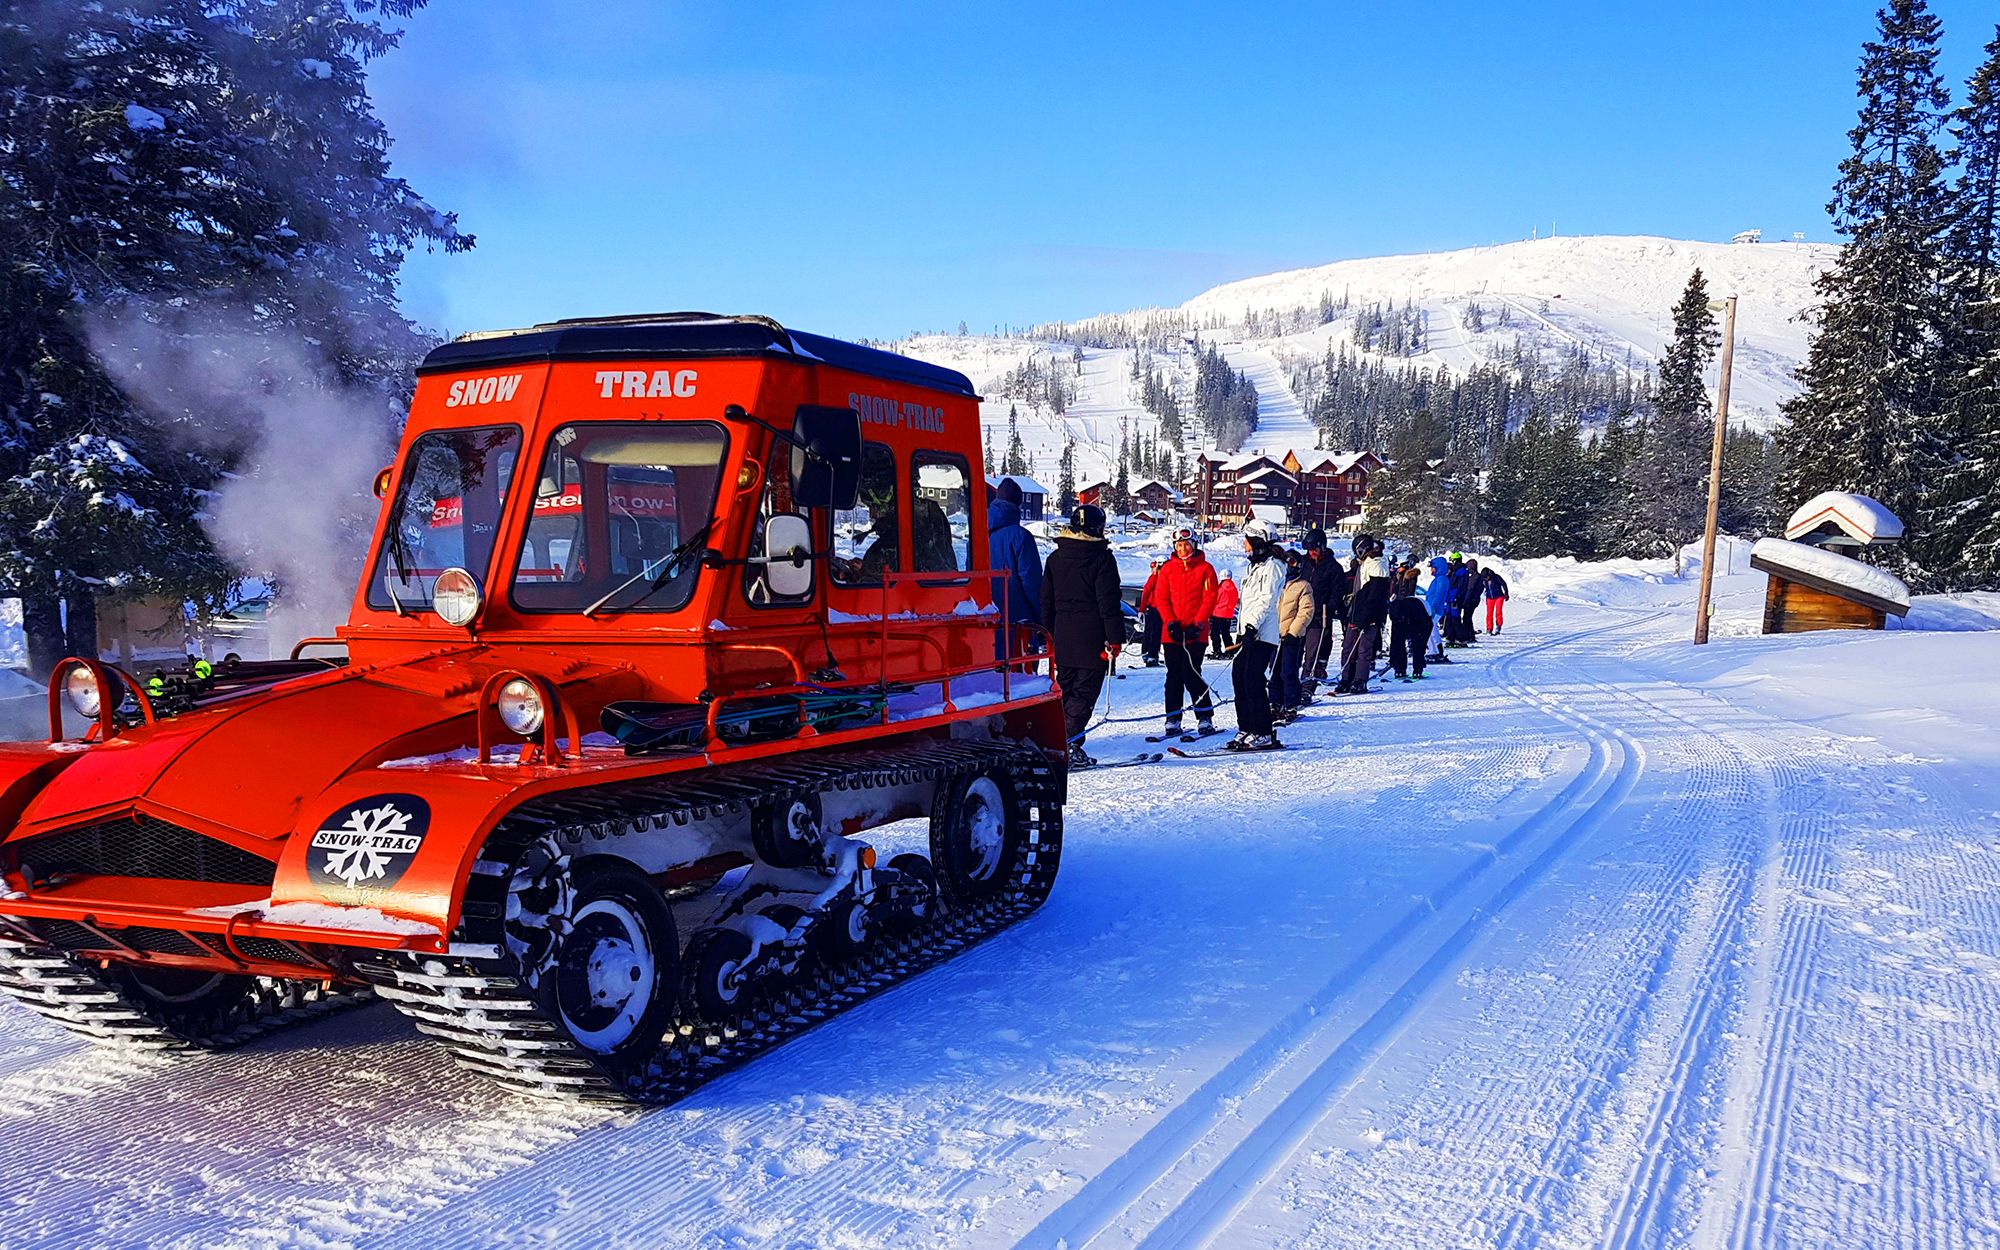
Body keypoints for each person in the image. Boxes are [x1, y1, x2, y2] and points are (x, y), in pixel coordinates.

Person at [1041, 504, 1124, 767]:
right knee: (1084, 693)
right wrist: (1115, 638)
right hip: (1092, 635)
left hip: (1063, 633)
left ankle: (1054, 740)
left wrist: (1049, 631)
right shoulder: (1101, 558)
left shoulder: (1056, 557)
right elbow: (1108, 602)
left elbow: (1046, 601)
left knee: (1064, 689)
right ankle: (1069, 744)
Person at [1152, 529, 1219, 738]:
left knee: (1191, 673)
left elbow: (1210, 598)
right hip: (1172, 633)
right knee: (1173, 676)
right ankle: (1173, 717)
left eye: (1187, 545)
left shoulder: (1206, 569)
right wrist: (1170, 622)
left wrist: (1198, 624)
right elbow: (1161, 598)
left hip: (1194, 633)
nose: (1183, 549)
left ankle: (1204, 715)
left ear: (1194, 545)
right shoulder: (1167, 570)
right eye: (1179, 546)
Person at [1228, 521, 1286, 750]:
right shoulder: (1255, 567)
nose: (1244, 546)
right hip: (1248, 632)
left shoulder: (1274, 567)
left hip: (1262, 634)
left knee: (1252, 680)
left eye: (1247, 541)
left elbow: (1266, 600)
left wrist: (1252, 626)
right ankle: (1246, 726)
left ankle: (1263, 731)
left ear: (1258, 541)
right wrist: (1244, 630)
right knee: (1239, 679)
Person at [986, 479, 1043, 661]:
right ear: (1018, 505)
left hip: (988, 621)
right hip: (1019, 624)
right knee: (1022, 679)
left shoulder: (979, 535)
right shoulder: (1021, 537)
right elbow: (1032, 584)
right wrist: (1042, 618)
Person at [1338, 536, 1390, 693]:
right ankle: (1346, 678)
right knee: (1348, 648)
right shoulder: (1364, 565)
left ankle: (1360, 680)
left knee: (1363, 649)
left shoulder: (1377, 565)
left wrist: (1367, 617)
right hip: (1356, 614)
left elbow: (1375, 595)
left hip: (1370, 616)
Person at [1300, 528, 1348, 698]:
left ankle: (1307, 685)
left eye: (1314, 549)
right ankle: (1289, 684)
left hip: (1320, 615)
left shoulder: (1333, 567)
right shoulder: (1303, 563)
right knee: (1294, 649)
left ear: (1322, 547)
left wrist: (1330, 606)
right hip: (1300, 613)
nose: (1311, 553)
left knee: (1313, 651)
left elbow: (1338, 591)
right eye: (1308, 549)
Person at [1269, 548, 1315, 722]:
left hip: (1291, 637)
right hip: (1273, 635)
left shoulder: (1303, 586)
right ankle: (1274, 702)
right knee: (1274, 671)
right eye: (1286, 562)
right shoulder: (1277, 583)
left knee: (1288, 671)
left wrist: (1294, 632)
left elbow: (1306, 611)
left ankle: (1291, 704)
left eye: (1292, 563)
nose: (1288, 566)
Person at [1388, 571, 1432, 681]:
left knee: (1414, 643)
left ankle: (1412, 669)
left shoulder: (1415, 608)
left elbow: (1422, 637)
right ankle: (1403, 669)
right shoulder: (1397, 610)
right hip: (1407, 614)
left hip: (1418, 618)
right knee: (1402, 642)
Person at [1422, 554, 1455, 664]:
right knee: (1433, 630)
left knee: (1428, 630)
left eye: (1433, 568)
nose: (1432, 570)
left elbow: (1439, 594)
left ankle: (1433, 652)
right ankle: (1437, 650)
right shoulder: (1439, 579)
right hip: (1432, 608)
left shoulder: (1442, 580)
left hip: (1435, 609)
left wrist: (1433, 608)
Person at [1138, 559, 1165, 667]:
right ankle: (1151, 656)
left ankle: (1148, 654)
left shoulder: (1157, 577)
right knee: (1154, 633)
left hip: (1155, 608)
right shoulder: (1155, 578)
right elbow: (1146, 592)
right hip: (1156, 609)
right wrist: (1142, 608)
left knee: (1151, 632)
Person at [1444, 553, 1471, 646]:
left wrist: (1457, 597)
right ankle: (1450, 637)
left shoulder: (1462, 571)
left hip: (1455, 598)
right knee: (1448, 618)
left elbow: (1462, 586)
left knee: (1455, 618)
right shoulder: (1453, 571)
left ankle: (1460, 638)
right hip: (1449, 598)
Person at [1211, 570, 1239, 657]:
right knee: (1226, 633)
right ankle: (1230, 650)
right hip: (1229, 614)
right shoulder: (1234, 588)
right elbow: (1235, 601)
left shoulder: (1220, 588)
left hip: (1218, 613)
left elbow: (1215, 599)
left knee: (1215, 633)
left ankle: (1217, 651)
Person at [1460, 557, 1485, 642]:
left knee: (1466, 618)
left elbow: (1470, 590)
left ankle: (1468, 636)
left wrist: (1466, 601)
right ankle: (1471, 636)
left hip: (1471, 601)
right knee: (1468, 618)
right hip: (1474, 600)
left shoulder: (1474, 577)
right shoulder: (1478, 576)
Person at [1481, 565, 1510, 635]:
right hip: (1489, 597)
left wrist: (1506, 593)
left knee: (1498, 612)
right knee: (1489, 614)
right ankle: (1489, 629)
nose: (1486, 579)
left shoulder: (1496, 577)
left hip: (1499, 596)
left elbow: (1504, 584)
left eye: (1486, 577)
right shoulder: (1483, 580)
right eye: (1484, 578)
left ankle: (1498, 626)